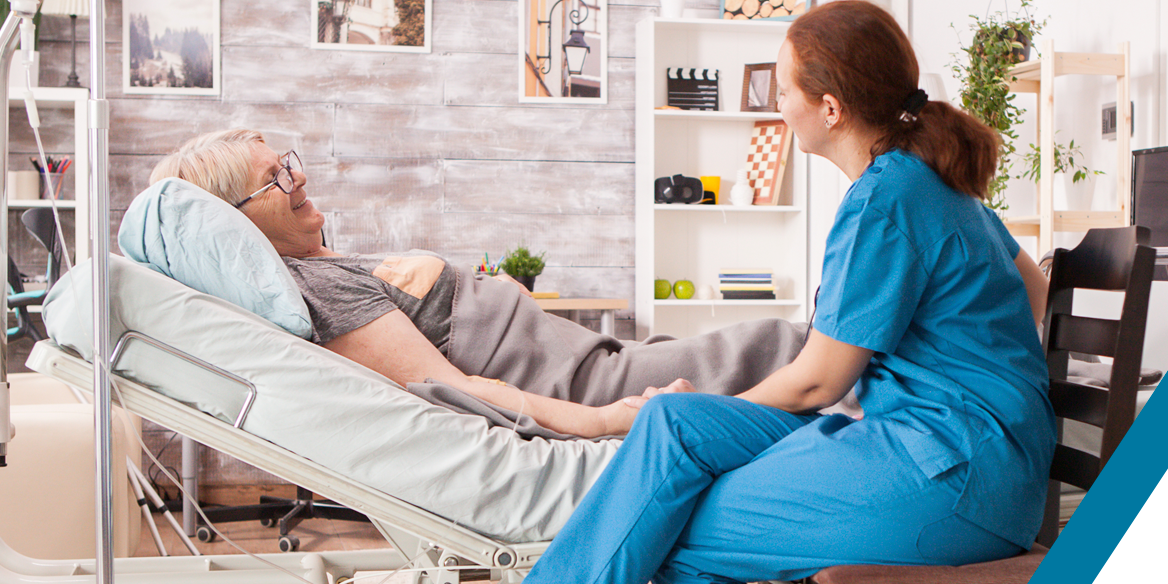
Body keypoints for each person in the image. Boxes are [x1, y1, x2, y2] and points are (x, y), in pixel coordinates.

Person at [408, 0, 1056, 584]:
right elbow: (1032, 289)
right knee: (675, 423)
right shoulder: (928, 182)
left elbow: (821, 378)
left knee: (676, 531)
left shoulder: (888, 198)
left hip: (950, 477)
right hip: (948, 453)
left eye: (783, 88)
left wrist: (926, 394)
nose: (775, 104)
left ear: (830, 108)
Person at [149, 131, 813, 439]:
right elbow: (450, 387)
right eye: (274, 179)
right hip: (579, 384)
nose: (297, 178)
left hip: (581, 357)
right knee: (775, 346)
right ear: (239, 223)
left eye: (287, 164)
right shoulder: (321, 293)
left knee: (772, 357)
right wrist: (604, 421)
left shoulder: (323, 264)